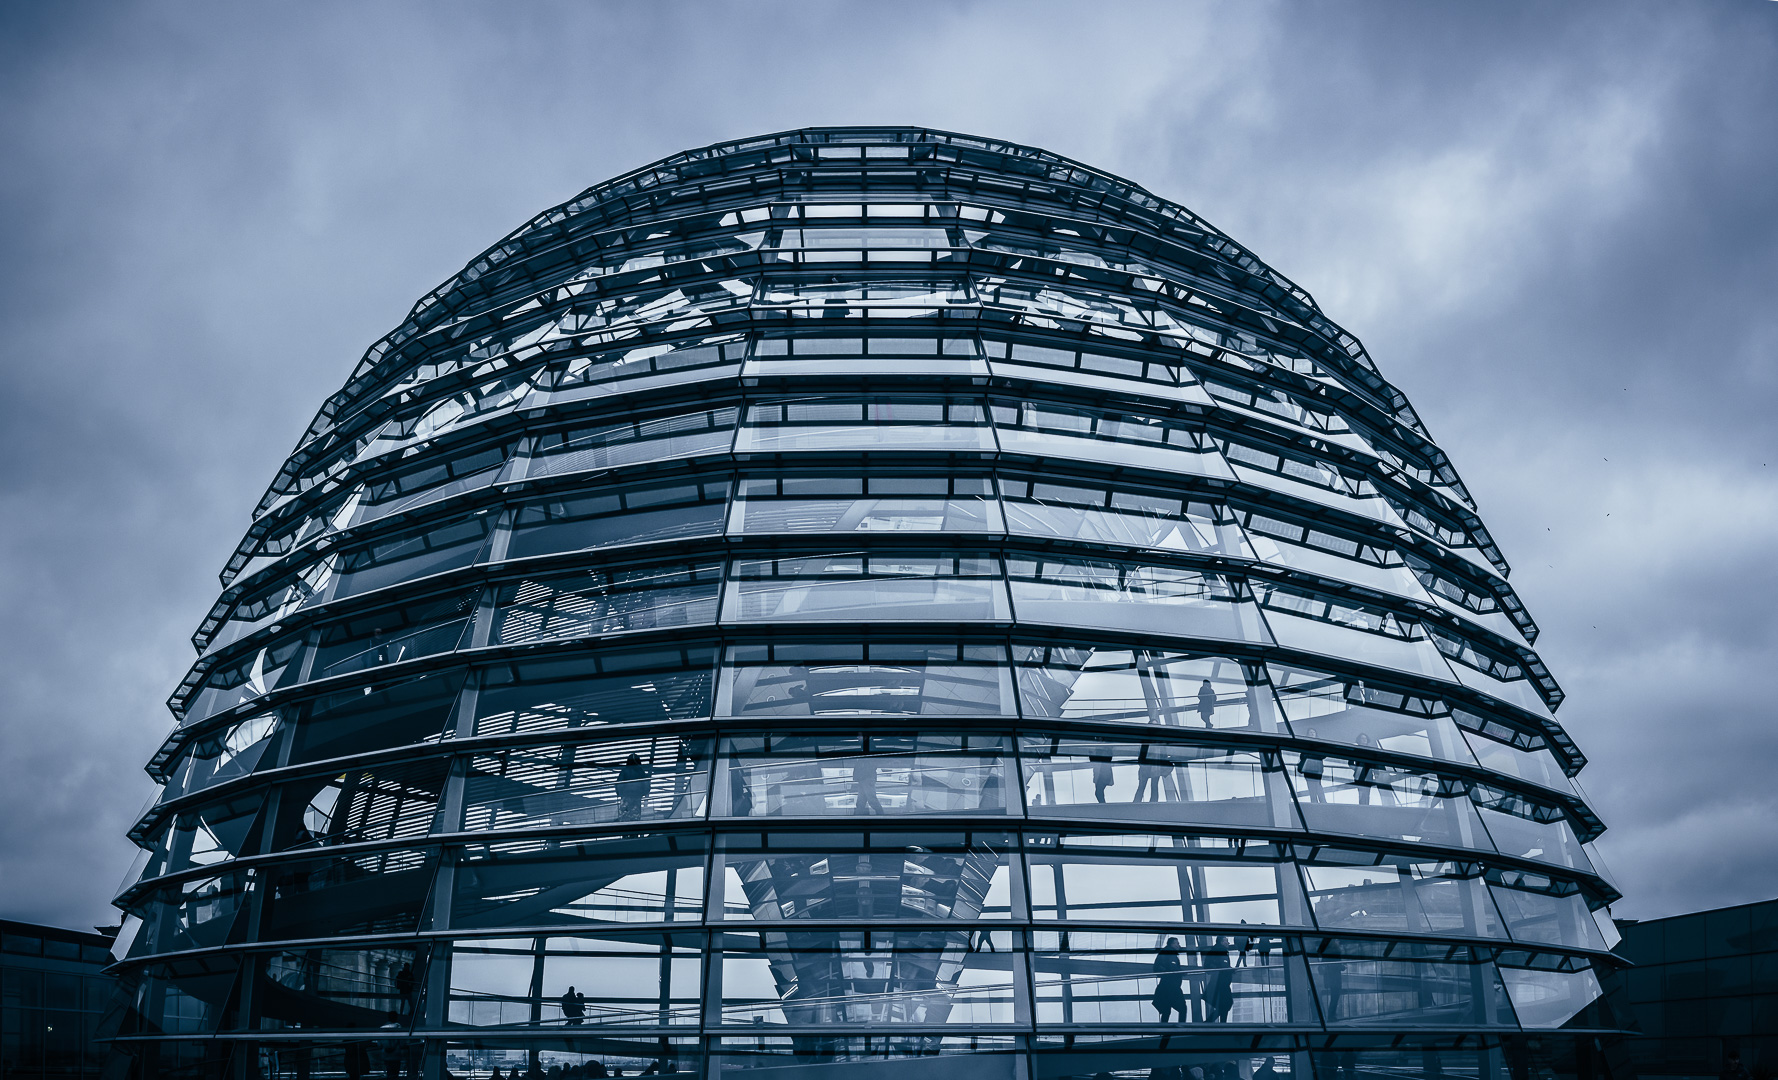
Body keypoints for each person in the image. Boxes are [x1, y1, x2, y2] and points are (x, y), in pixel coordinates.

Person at [1151, 937, 1188, 1023]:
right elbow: (1172, 968)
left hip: (1165, 986)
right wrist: (1182, 972)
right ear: (1172, 944)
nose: (1179, 945)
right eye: (1177, 943)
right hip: (1172, 986)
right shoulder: (1170, 953)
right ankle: (1181, 1026)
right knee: (1182, 1008)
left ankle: (1164, 1029)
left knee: (1166, 1010)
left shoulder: (1165, 952)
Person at [1201, 936, 1234, 1022]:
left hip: (1217, 982)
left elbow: (1207, 967)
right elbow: (1224, 966)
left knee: (1223, 1005)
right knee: (1227, 1004)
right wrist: (1231, 970)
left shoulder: (1213, 951)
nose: (1228, 943)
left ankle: (1217, 1024)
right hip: (1222, 982)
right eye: (1226, 941)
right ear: (1222, 942)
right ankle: (1211, 1023)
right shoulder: (1222, 951)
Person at [615, 754, 650, 821]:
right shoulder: (641, 771)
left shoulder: (624, 771)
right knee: (635, 818)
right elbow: (646, 787)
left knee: (624, 817)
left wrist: (620, 793)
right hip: (636, 798)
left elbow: (618, 785)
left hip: (626, 797)